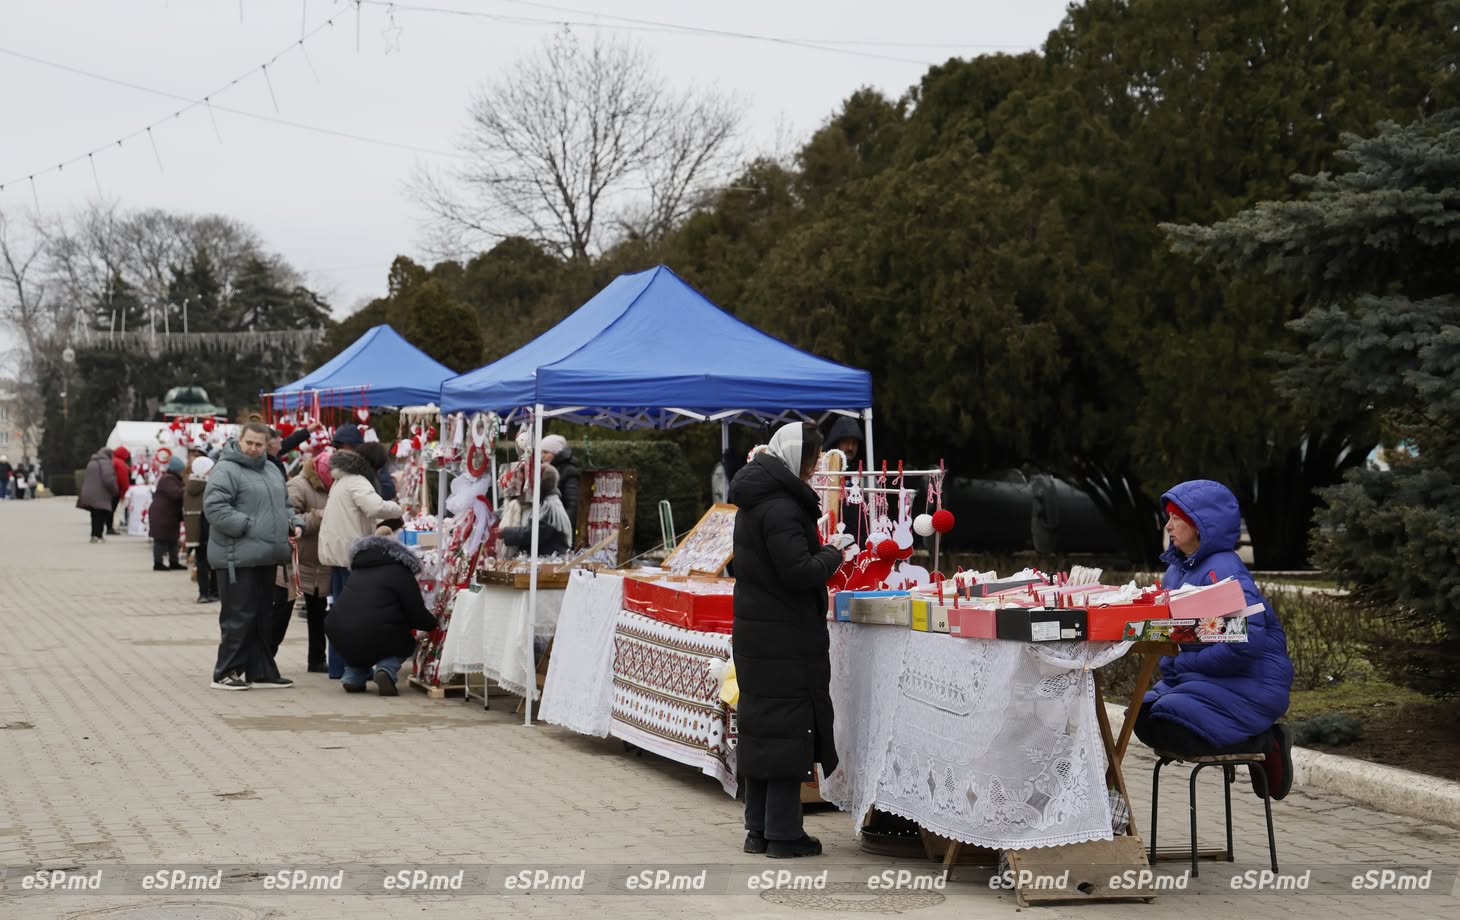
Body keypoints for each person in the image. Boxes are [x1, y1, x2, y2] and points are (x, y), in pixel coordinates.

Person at [730, 422, 851, 858]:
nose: (816, 468)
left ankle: (758, 829)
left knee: (764, 726)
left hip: (759, 629)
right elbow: (797, 572)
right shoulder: (781, 506)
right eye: (814, 460)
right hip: (782, 632)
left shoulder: (758, 498)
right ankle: (783, 833)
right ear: (799, 459)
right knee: (786, 728)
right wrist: (834, 554)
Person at [1135, 479, 1295, 799]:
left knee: (1170, 725)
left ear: (1199, 524)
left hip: (1247, 684)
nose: (1168, 525)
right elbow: (1178, 630)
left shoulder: (1223, 569)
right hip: (1198, 680)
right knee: (1140, 718)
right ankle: (1252, 737)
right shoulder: (1177, 571)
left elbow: (1245, 637)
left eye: (1175, 518)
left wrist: (1185, 660)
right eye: (1168, 517)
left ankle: (1266, 742)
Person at [204, 422, 303, 691]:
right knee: (239, 615)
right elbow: (214, 507)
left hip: (267, 555)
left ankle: (261, 671)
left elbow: (284, 505)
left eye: (259, 444)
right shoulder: (226, 469)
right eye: (250, 443)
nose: (253, 448)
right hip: (236, 557)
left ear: (267, 445)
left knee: (262, 615)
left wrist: (293, 522)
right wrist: (247, 525)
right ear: (240, 440)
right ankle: (226, 671)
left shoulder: (271, 469)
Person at [318, 437, 402, 678]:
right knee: (352, 614)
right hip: (349, 553)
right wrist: (397, 508)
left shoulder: (341, 479)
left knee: (337, 611)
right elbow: (375, 507)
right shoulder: (358, 481)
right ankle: (351, 667)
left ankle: (337, 665)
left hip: (336, 552)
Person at [325, 535, 438, 695]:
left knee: (358, 642)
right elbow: (415, 610)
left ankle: (353, 677)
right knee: (404, 642)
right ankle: (386, 670)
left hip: (338, 630)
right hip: (377, 632)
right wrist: (433, 624)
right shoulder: (401, 571)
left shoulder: (358, 570)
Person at [273, 449, 332, 672]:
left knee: (318, 617)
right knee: (281, 615)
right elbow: (289, 521)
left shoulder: (334, 487)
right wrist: (319, 516)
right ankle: (266, 657)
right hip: (296, 563)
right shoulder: (298, 486)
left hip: (321, 564)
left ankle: (317, 660)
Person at [500, 463, 573, 557]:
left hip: (550, 560)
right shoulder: (542, 502)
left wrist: (505, 532)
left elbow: (534, 533)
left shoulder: (549, 505)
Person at [185, 456, 218, 603]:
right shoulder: (210, 486)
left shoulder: (190, 486)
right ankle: (215, 591)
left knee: (201, 563)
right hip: (210, 529)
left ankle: (203, 593)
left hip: (196, 532)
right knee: (214, 563)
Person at [539, 434, 580, 544]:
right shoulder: (546, 470)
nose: (542, 456)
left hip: (559, 530)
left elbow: (572, 505)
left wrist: (563, 530)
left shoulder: (569, 471)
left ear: (556, 453)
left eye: (546, 452)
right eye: (541, 452)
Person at [149, 456, 187, 571]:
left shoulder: (172, 478)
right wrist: (188, 488)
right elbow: (176, 494)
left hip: (168, 514)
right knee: (160, 540)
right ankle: (158, 563)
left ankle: (173, 561)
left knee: (173, 539)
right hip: (162, 515)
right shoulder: (168, 479)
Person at [78, 447, 119, 543]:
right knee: (101, 514)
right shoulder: (105, 463)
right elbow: (108, 479)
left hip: (90, 492)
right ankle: (98, 535)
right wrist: (115, 490)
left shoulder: (92, 462)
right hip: (101, 493)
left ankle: (93, 535)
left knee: (94, 515)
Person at [109, 446, 132, 534]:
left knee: (110, 509)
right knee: (115, 509)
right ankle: (111, 527)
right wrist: (124, 492)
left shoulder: (113, 461)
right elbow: (124, 479)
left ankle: (109, 526)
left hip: (111, 488)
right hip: (117, 489)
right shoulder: (121, 464)